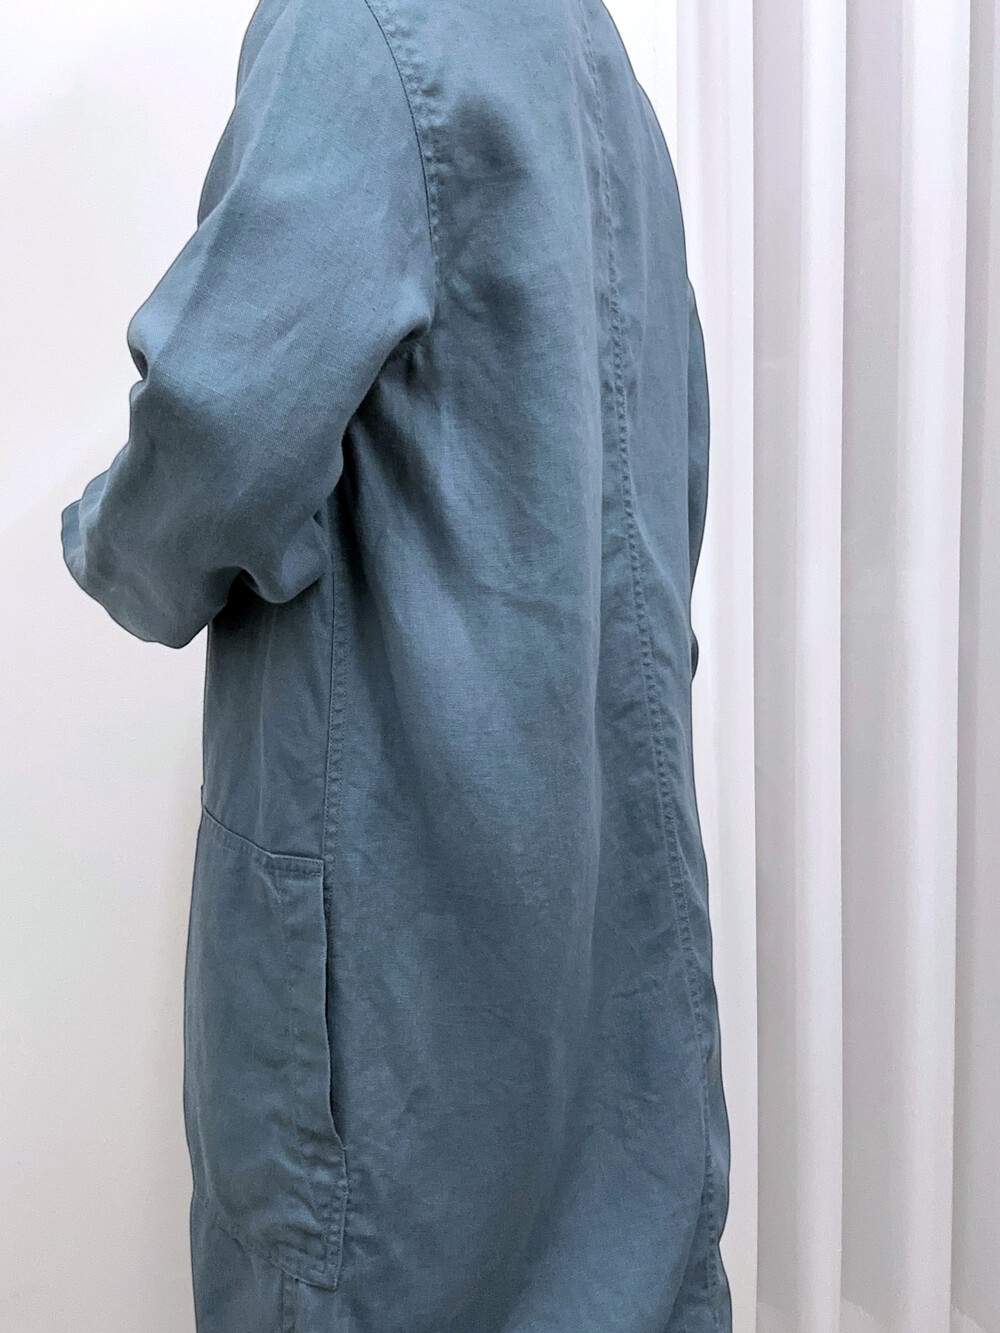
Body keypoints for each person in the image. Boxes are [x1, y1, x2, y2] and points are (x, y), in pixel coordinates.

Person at [60, 0, 731, 1328]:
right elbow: (670, 479)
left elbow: (218, 427)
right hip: (604, 931)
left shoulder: (359, 30)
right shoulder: (594, 54)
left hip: (403, 954)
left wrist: (113, 544)